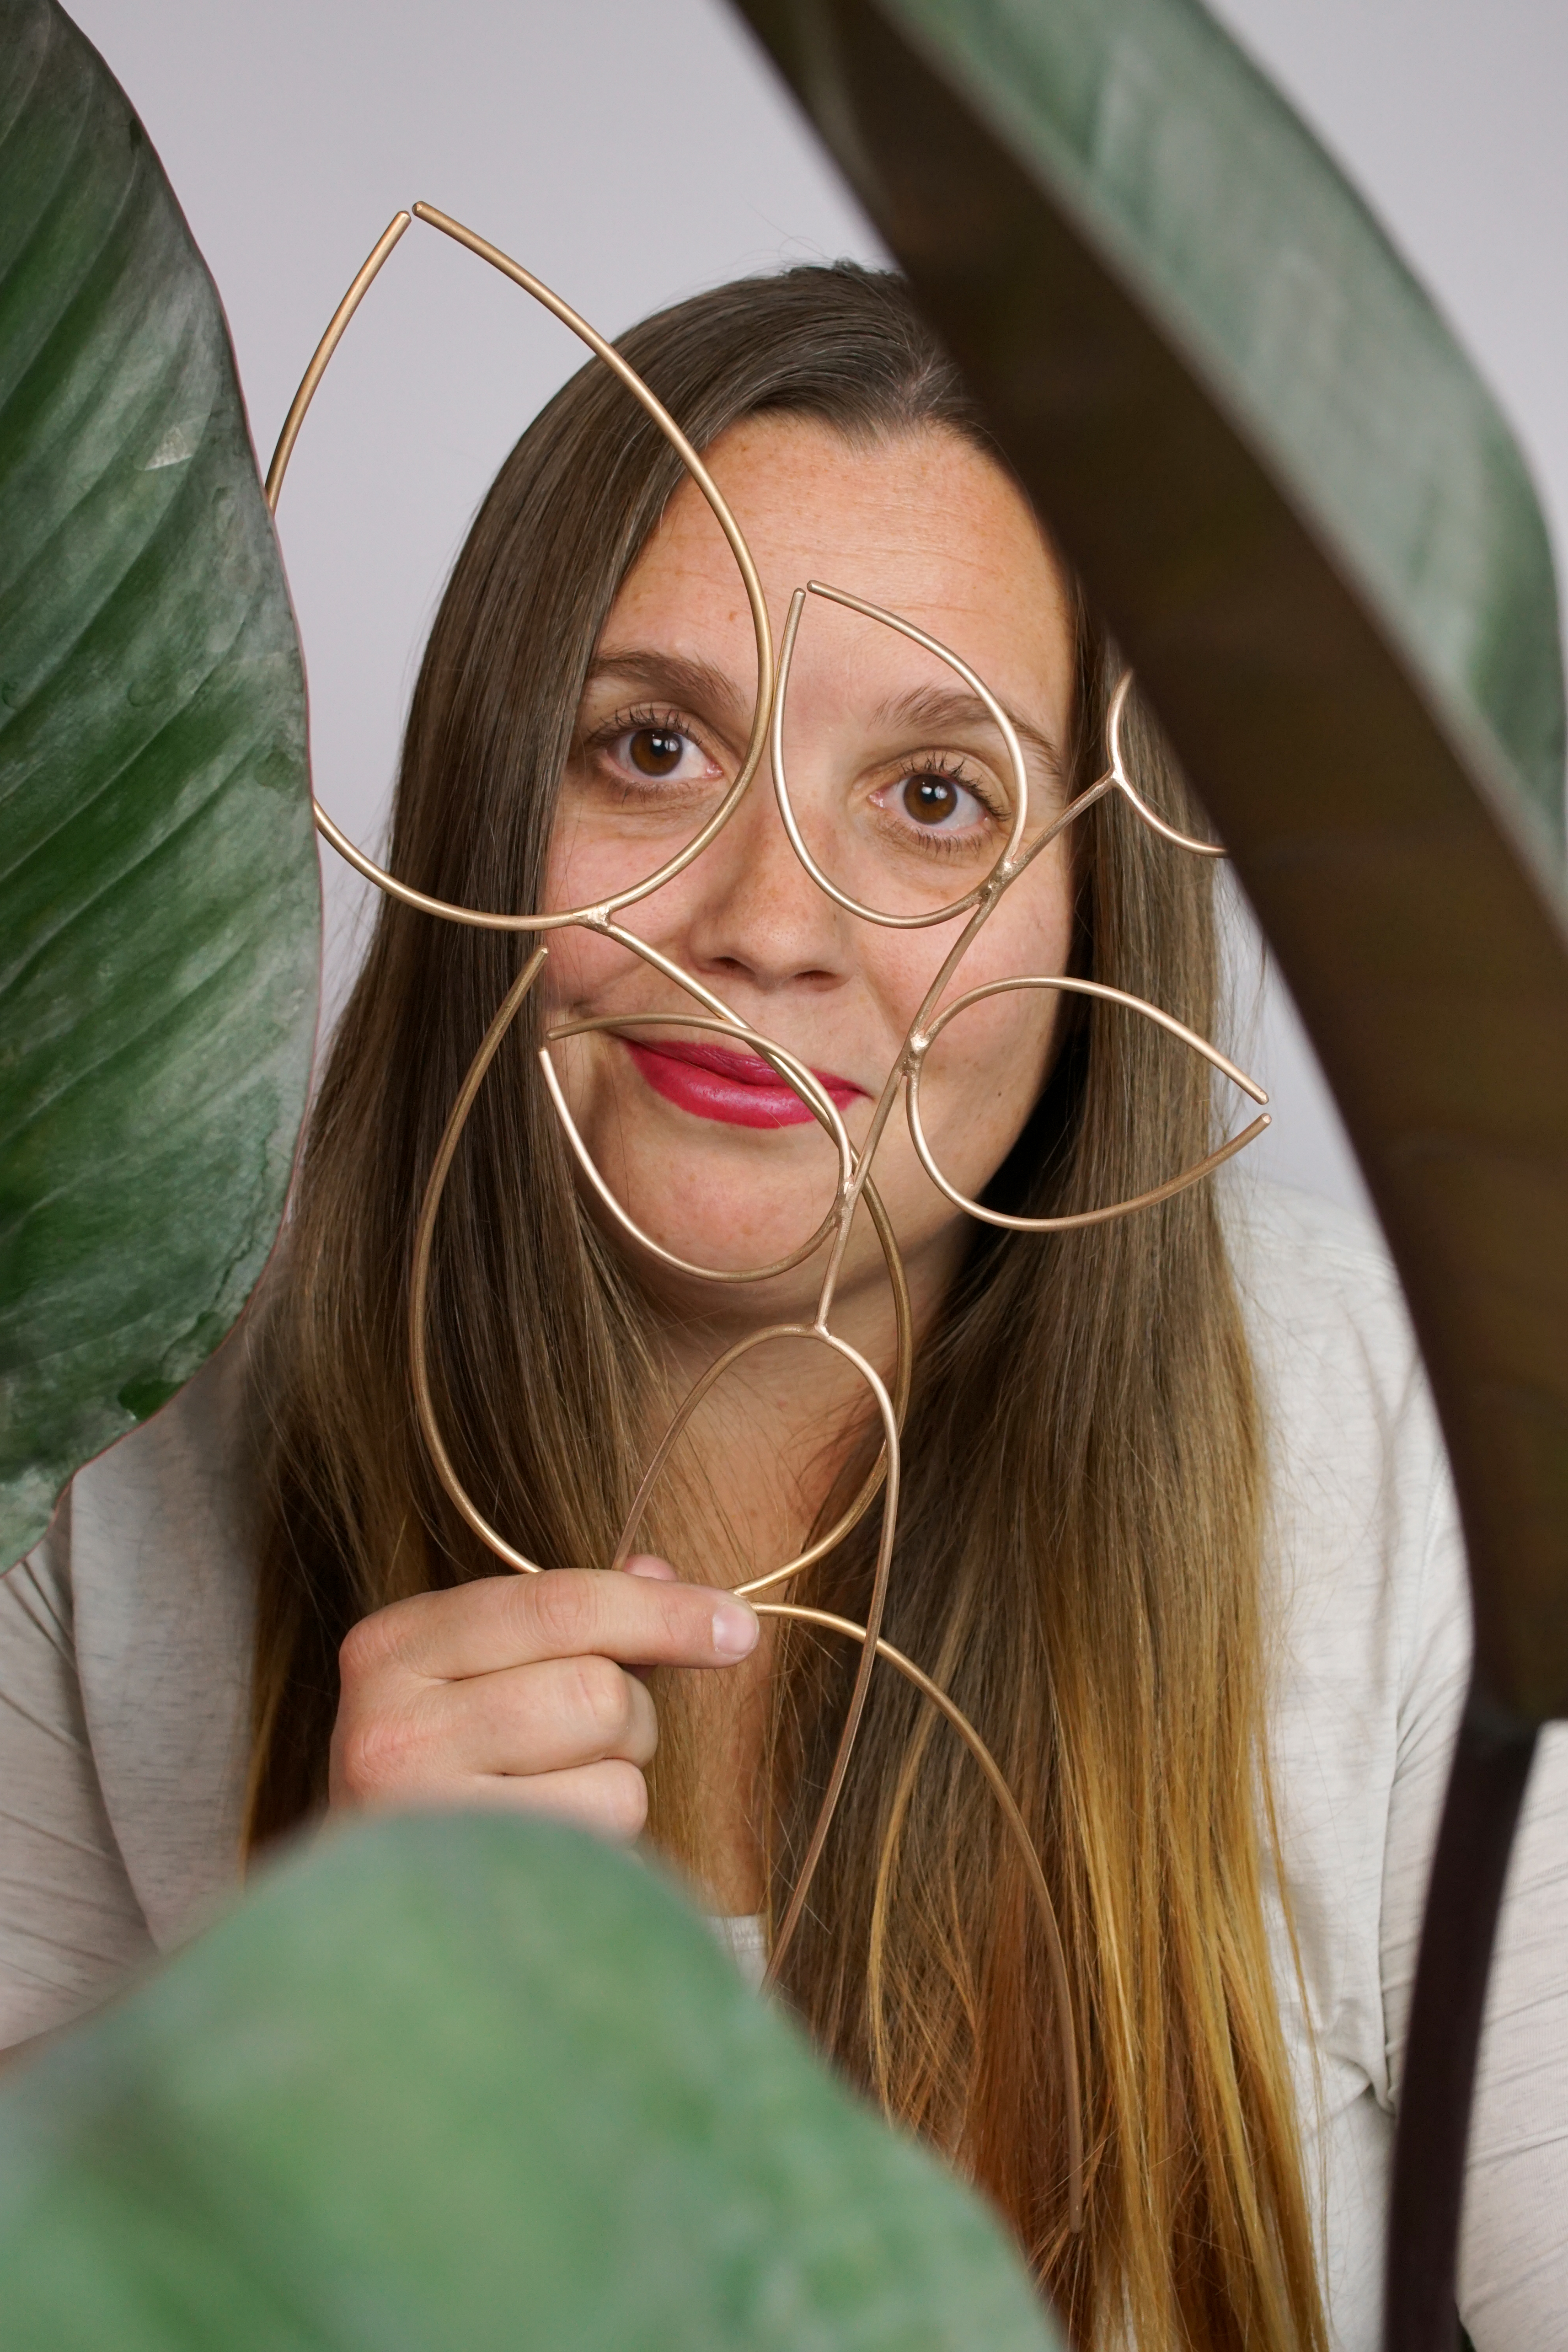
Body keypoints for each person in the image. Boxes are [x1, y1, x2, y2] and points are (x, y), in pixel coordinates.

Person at [1, 264, 1563, 2351]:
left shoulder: (1393, 1438)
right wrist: (296, 2054)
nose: (763, 923)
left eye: (935, 796)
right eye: (650, 747)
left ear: (1104, 909)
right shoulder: (121, 1419)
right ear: (485, 792)